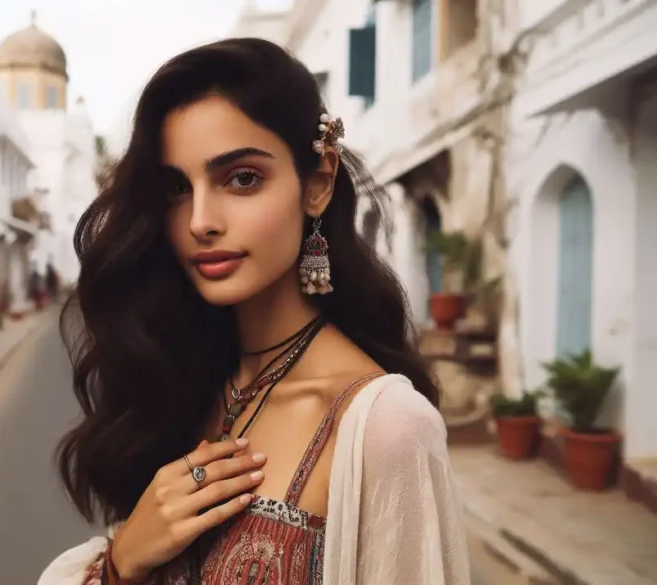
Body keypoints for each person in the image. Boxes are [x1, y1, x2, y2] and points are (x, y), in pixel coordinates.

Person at [41, 38, 469, 584]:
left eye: (241, 178)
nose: (200, 220)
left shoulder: (386, 428)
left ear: (317, 184)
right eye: (176, 187)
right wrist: (122, 562)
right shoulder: (181, 379)